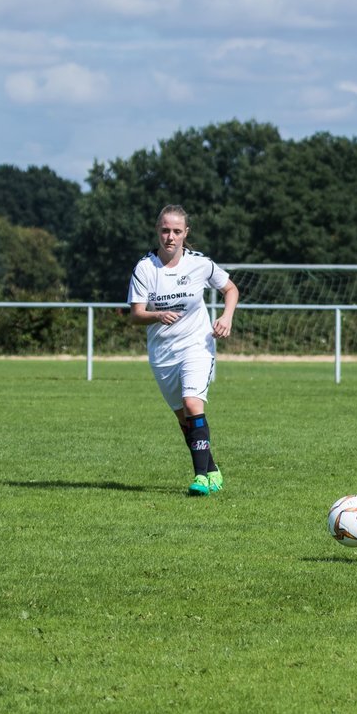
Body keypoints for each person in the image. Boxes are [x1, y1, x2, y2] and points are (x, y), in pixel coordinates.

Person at [128, 205, 240, 496]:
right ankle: (212, 469)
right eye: (165, 230)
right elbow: (136, 314)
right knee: (184, 419)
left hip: (197, 345)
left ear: (185, 233)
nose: (170, 237)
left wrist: (226, 317)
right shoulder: (144, 268)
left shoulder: (199, 264)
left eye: (177, 231)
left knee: (193, 405)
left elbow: (231, 289)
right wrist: (157, 316)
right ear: (157, 230)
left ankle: (200, 477)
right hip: (163, 354)